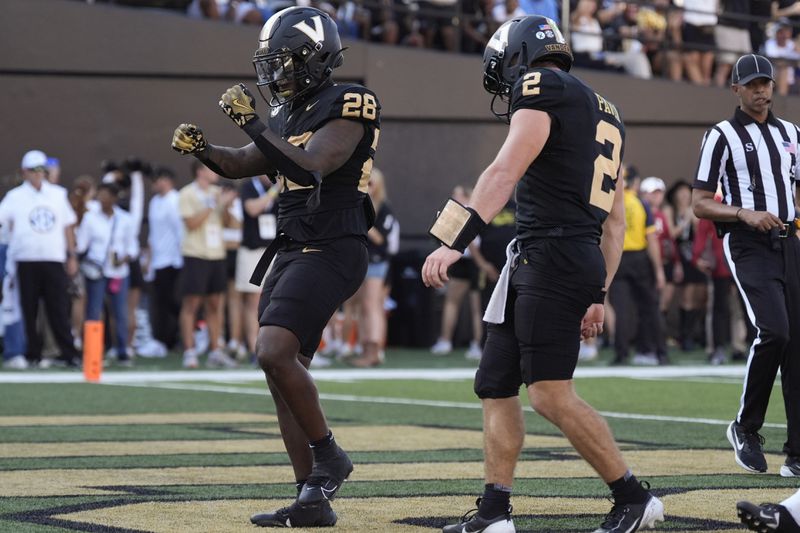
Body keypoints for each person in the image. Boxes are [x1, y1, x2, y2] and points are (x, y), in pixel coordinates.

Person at [422, 15, 663, 533]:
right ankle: (494, 512)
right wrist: (599, 289)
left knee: (550, 393)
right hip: (556, 256)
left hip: (551, 255)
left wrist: (452, 242)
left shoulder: (540, 84)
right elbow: (615, 223)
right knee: (495, 384)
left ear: (520, 57)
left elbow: (503, 171)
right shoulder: (607, 109)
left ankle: (634, 497)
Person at [170, 5, 380, 527]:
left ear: (314, 58)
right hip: (293, 247)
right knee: (281, 374)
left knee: (274, 350)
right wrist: (205, 150)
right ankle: (310, 500)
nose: (276, 73)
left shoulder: (350, 102)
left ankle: (329, 456)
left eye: (285, 62)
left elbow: (313, 167)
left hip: (333, 244)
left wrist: (254, 123)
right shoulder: (289, 114)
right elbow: (246, 162)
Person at [692, 54, 800, 477]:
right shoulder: (721, 135)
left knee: (798, 347)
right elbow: (700, 202)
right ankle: (746, 428)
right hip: (749, 243)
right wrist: (743, 214)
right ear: (735, 89)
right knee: (774, 331)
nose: (761, 91)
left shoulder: (791, 133)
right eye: (752, 84)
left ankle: (796, 452)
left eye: (766, 83)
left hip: (789, 242)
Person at [0, 150, 80, 367]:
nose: (38, 174)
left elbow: (68, 226)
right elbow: (3, 220)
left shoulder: (57, 194)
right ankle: (33, 353)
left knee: (59, 308)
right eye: (33, 170)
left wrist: (71, 256)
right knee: (29, 309)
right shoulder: (15, 197)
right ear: (24, 172)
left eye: (41, 170)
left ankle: (68, 353)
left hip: (53, 258)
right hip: (25, 259)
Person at [177, 161, 239, 369]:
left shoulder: (217, 191)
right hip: (196, 254)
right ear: (200, 171)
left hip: (217, 254)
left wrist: (227, 205)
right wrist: (213, 204)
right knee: (191, 305)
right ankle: (189, 351)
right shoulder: (187, 194)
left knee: (215, 305)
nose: (215, 172)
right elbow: (190, 224)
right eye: (211, 169)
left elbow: (229, 223)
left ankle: (215, 351)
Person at [76, 182, 138, 365]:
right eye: (100, 195)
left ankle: (121, 350)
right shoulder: (90, 218)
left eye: (106, 195)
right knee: (94, 311)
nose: (102, 199)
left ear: (114, 198)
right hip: (97, 271)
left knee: (120, 312)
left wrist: (123, 259)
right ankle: (94, 351)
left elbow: (132, 247)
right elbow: (82, 245)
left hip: (118, 272)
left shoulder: (125, 219)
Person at [347, 168, 397, 367]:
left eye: (370, 184)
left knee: (372, 305)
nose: (366, 187)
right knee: (365, 306)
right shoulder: (364, 206)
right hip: (362, 258)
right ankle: (367, 346)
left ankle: (374, 349)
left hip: (376, 260)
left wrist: (362, 217)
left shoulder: (383, 208)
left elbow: (380, 238)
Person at [237, 174, 280, 358]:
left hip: (275, 248)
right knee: (254, 301)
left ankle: (275, 346)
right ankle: (254, 346)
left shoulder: (282, 187)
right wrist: (274, 191)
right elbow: (252, 209)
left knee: (277, 299)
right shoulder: (248, 187)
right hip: (253, 249)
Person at [147, 166, 184, 352]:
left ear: (168, 181)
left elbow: (180, 230)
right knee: (161, 302)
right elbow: (153, 233)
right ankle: (165, 340)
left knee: (174, 300)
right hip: (158, 260)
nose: (155, 184)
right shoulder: (154, 202)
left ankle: (185, 333)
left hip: (173, 259)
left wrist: (180, 257)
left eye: (158, 179)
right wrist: (149, 258)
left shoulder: (174, 200)